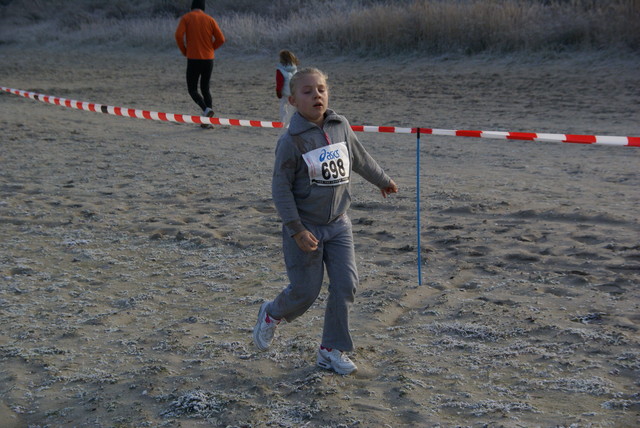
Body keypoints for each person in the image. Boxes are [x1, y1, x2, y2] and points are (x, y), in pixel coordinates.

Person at [253, 68, 399, 375]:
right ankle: (271, 313)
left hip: (339, 224)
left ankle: (331, 350)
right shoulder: (290, 141)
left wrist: (382, 180)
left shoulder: (340, 125)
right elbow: (280, 189)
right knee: (305, 291)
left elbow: (359, 158)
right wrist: (296, 229)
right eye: (307, 91)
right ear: (293, 100)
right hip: (305, 228)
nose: (316, 95)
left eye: (321, 89)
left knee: (346, 284)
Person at [175, 0, 225, 128]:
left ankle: (205, 109)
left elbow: (178, 35)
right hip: (208, 59)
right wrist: (211, 49)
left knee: (192, 89)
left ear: (192, 7)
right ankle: (207, 122)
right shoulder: (210, 19)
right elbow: (221, 39)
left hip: (193, 58)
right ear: (203, 8)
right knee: (205, 88)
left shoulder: (186, 18)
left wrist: (184, 50)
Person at [275, 50, 299, 127]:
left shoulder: (280, 70)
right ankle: (293, 121)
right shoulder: (294, 69)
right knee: (293, 107)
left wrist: (278, 91)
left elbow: (280, 82)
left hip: (285, 92)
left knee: (283, 107)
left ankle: (284, 122)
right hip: (294, 92)